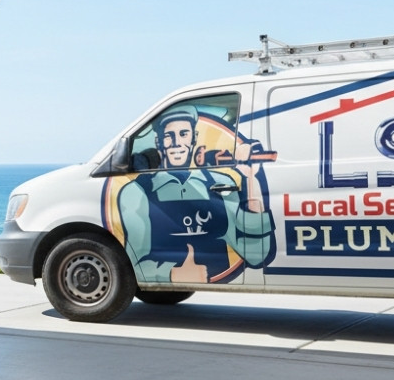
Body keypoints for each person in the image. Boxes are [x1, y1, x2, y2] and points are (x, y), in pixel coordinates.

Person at [117, 105, 275, 284]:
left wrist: (251, 179)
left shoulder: (222, 184)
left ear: (194, 138)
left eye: (184, 134)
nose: (177, 142)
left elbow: (256, 255)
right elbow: (135, 260)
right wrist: (172, 275)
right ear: (158, 141)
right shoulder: (136, 192)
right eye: (169, 136)